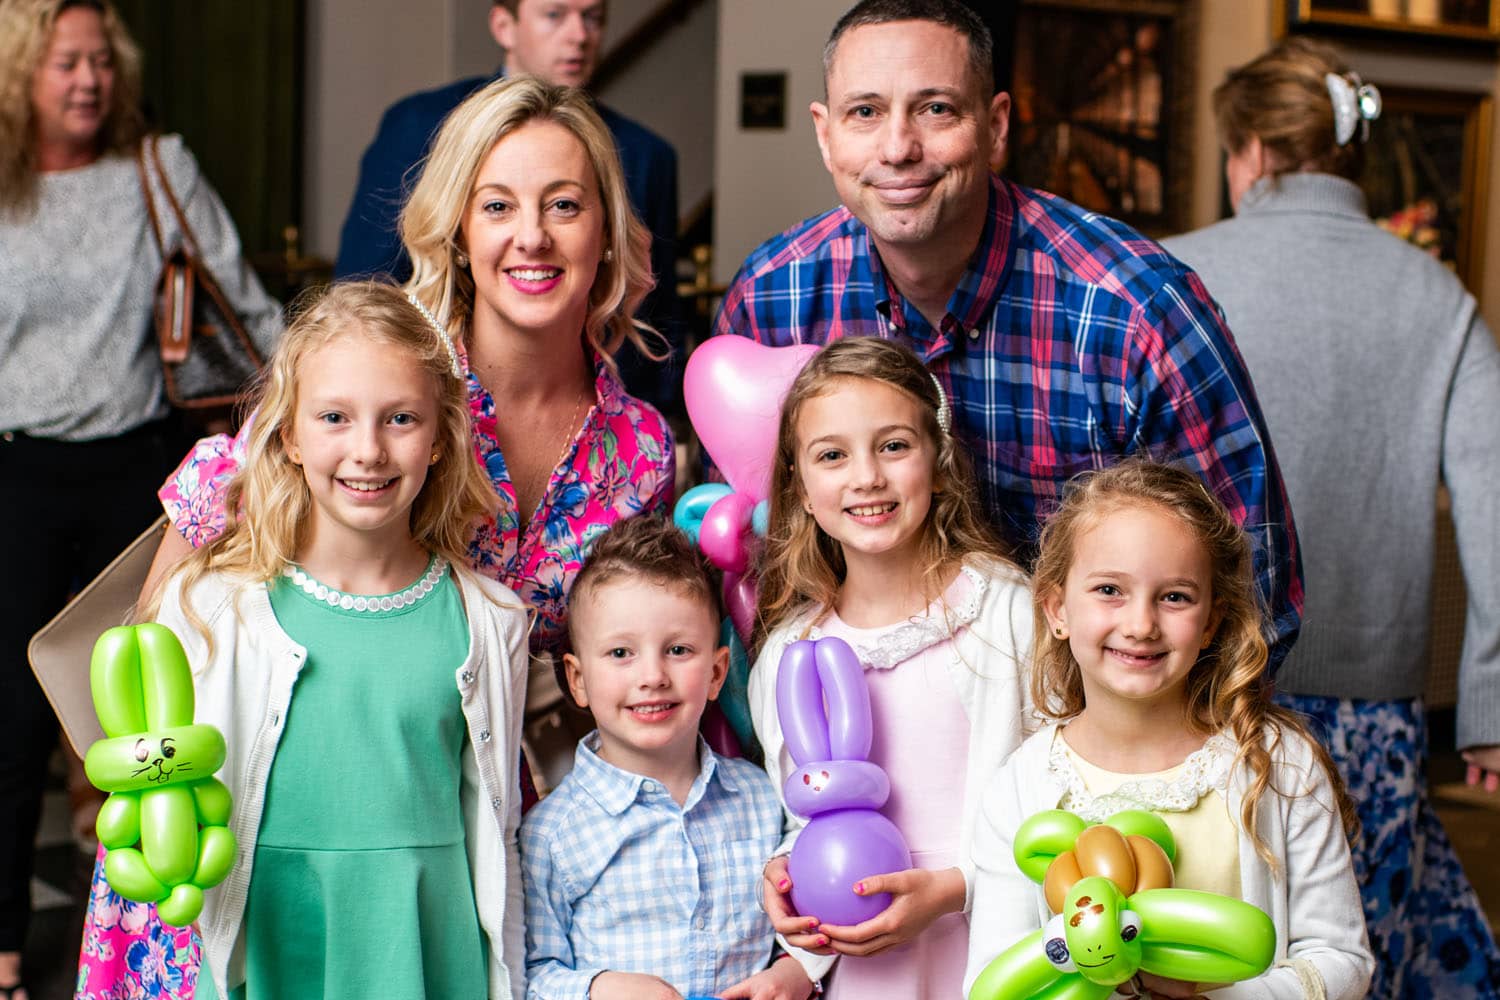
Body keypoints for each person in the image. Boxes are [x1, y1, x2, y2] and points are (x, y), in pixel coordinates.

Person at [80, 75, 676, 997]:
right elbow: (165, 640)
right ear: (459, 232)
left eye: (566, 205)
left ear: (606, 233)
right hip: (241, 828)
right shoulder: (379, 374)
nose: (533, 235)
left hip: (462, 829)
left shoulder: (637, 451)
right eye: (498, 204)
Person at [712, 0, 1303, 671]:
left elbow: (1252, 593)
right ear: (826, 134)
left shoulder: (1136, 312)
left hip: (1099, 739)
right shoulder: (771, 304)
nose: (899, 147)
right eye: (865, 112)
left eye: (935, 109)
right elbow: (745, 566)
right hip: (851, 734)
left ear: (994, 126)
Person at [1161, 37, 1500, 998]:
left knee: (1211, 959)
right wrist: (1490, 709)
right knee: (1349, 960)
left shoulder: (1170, 278)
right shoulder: (1437, 296)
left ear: (1253, 155)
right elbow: (1496, 503)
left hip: (1197, 701)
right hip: (1375, 719)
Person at [0, 1, 280, 996]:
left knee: (147, 695)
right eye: (66, 63)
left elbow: (245, 303)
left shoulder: (157, 168)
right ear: (22, 72)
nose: (88, 81)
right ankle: (3, 949)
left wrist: (311, 405)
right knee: (14, 714)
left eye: (100, 63)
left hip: (139, 470)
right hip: (18, 474)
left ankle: (140, 925)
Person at [141, 282, 527, 1000]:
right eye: (334, 418)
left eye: (401, 418)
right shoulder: (213, 609)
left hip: (424, 938)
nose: (368, 451)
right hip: (276, 938)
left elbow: (495, 823)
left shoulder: (490, 621)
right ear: (287, 433)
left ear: (441, 436)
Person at [964, 460, 1374, 1000]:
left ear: (1210, 622)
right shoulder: (1021, 785)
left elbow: (1342, 960)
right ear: (1057, 609)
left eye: (1175, 596)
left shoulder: (1278, 766)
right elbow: (992, 979)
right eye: (1110, 589)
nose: (1140, 625)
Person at [748, 338, 1031, 998]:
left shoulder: (1004, 616)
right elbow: (808, 817)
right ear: (801, 488)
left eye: (894, 446)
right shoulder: (791, 659)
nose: (867, 476)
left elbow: (1064, 798)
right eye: (832, 455)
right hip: (871, 975)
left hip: (992, 949)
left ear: (937, 462)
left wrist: (952, 891)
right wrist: (788, 878)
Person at [336, 0, 681, 413]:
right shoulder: (420, 126)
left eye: (593, 18)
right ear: (504, 25)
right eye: (555, 15)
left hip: (596, 410)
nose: (579, 35)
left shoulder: (644, 154)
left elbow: (657, 310)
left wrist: (658, 422)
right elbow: (364, 287)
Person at [520, 517, 815, 1000]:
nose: (653, 675)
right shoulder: (551, 835)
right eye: (621, 653)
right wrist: (598, 989)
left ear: (717, 671)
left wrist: (795, 970)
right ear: (576, 679)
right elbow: (530, 976)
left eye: (678, 650)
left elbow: (803, 915)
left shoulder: (764, 799)